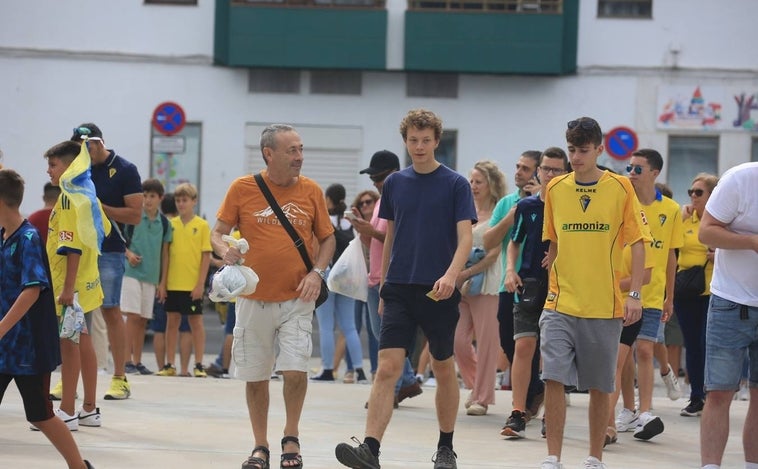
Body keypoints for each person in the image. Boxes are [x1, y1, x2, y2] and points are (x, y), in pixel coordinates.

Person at [336, 109, 476, 469]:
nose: (419, 146)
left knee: (443, 368)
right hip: (398, 287)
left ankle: (446, 448)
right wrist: (384, 285)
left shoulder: (456, 184)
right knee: (387, 367)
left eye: (425, 140)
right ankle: (370, 449)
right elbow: (392, 236)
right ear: (406, 140)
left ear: (436, 141)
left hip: (439, 289)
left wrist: (451, 275)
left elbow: (465, 239)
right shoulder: (396, 183)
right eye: (413, 140)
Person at [212, 124, 335, 469]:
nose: (300, 157)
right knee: (256, 374)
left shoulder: (311, 190)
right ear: (269, 154)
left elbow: (327, 239)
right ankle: (260, 446)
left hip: (298, 297)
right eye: (291, 150)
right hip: (252, 299)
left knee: (296, 369)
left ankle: (291, 438)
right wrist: (224, 250)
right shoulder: (242, 188)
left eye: (300, 149)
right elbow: (217, 232)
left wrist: (317, 272)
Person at [540, 117, 647, 469]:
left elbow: (637, 241)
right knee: (553, 377)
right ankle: (552, 458)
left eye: (583, 150)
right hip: (560, 301)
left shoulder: (620, 188)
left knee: (600, 386)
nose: (576, 157)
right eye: (572, 150)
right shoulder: (555, 189)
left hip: (604, 305)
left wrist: (634, 295)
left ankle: (594, 457)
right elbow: (554, 241)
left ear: (599, 149)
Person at [0, 168, 95, 469]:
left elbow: (31, 290)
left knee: (40, 414)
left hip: (26, 348)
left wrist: (0, 328)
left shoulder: (27, 238)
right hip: (4, 347)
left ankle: (78, 466)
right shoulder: (2, 236)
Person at [42, 140, 112, 432]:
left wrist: (67, 290)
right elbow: (102, 230)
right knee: (82, 342)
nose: (48, 171)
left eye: (53, 165)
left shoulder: (69, 197)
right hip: (87, 281)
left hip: (71, 286)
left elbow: (71, 246)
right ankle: (89, 409)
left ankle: (67, 410)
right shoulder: (87, 193)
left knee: (68, 344)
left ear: (70, 166)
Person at [70, 124, 142, 400]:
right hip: (79, 249)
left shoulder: (125, 169)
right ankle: (69, 380)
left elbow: (135, 215)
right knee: (75, 313)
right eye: (78, 147)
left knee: (111, 310)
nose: (83, 151)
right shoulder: (76, 169)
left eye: (87, 146)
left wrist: (100, 208)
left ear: (99, 143)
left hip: (110, 250)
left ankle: (120, 378)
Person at [501, 147, 568, 437]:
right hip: (527, 284)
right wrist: (509, 270)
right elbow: (514, 242)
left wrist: (559, 254)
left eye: (556, 170)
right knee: (523, 347)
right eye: (546, 169)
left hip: (561, 288)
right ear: (538, 171)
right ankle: (518, 411)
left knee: (553, 353)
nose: (550, 174)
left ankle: (551, 414)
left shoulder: (572, 206)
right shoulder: (527, 206)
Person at [618, 149, 683, 442]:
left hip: (653, 294)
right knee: (624, 353)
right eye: (629, 167)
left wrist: (670, 296)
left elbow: (671, 255)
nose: (631, 172)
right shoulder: (622, 203)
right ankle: (629, 409)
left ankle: (645, 411)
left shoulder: (671, 209)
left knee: (645, 350)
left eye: (638, 169)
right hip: (622, 291)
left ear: (655, 173)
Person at [697, 162, 758, 469]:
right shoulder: (741, 178)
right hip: (731, 301)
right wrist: (751, 241)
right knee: (719, 393)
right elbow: (705, 232)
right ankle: (711, 466)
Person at [350, 150, 423, 406]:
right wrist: (364, 229)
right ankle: (407, 381)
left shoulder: (399, 199)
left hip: (389, 278)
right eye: (373, 178)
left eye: (379, 177)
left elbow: (398, 238)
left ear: (393, 173)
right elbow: (377, 241)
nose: (375, 183)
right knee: (381, 334)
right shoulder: (383, 200)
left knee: (386, 338)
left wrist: (371, 231)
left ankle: (391, 389)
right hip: (377, 275)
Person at [482, 150, 545, 422]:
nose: (518, 171)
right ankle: (535, 390)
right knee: (509, 340)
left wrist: (536, 202)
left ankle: (528, 401)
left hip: (540, 283)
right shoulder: (508, 202)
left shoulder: (548, 203)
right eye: (517, 166)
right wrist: (514, 214)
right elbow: (488, 241)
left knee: (531, 345)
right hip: (509, 284)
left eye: (526, 168)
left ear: (538, 173)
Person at [453, 160, 506, 417]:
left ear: (491, 185)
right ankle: (476, 386)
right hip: (461, 285)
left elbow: (494, 253)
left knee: (487, 343)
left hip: (486, 283)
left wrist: (467, 273)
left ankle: (483, 398)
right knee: (458, 341)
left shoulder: (498, 212)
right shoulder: (465, 210)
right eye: (471, 181)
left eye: (478, 182)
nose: (473, 186)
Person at [311, 183, 367, 384]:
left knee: (326, 326)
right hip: (349, 276)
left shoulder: (325, 218)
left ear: (328, 199)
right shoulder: (351, 218)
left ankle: (327, 369)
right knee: (350, 326)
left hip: (328, 275)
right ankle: (359, 370)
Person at [675, 173, 718, 418]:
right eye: (691, 192)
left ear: (712, 196)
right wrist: (679, 218)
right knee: (692, 345)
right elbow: (673, 249)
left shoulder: (719, 222)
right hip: (686, 291)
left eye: (699, 192)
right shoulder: (686, 220)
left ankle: (713, 394)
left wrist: (720, 254)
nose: (693, 196)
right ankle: (696, 397)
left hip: (712, 290)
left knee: (707, 343)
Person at [121, 178, 172, 376]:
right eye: (145, 196)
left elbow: (165, 254)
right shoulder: (134, 217)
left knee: (143, 320)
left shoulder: (165, 224)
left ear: (160, 198)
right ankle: (126, 361)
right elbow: (119, 240)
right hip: (131, 273)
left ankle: (138, 360)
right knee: (132, 316)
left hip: (151, 277)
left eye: (152, 196)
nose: (148, 200)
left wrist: (163, 283)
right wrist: (129, 254)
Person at [160, 182, 211, 378]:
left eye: (185, 200)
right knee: (171, 322)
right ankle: (170, 364)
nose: (181, 204)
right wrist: (162, 283)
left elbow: (206, 256)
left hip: (192, 285)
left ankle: (198, 364)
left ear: (194, 202)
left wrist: (200, 284)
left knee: (196, 322)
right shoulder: (170, 225)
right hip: (173, 283)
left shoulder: (202, 225)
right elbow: (166, 255)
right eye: (178, 200)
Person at [335, 189, 381, 383]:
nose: (365, 206)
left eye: (369, 202)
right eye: (362, 203)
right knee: (352, 325)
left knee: (374, 330)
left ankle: (375, 370)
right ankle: (351, 369)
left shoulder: (382, 225)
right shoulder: (358, 227)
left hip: (375, 281)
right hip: (357, 282)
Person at [151, 193, 193, 375]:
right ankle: (184, 368)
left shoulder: (160, 225)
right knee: (185, 327)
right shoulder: (174, 225)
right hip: (181, 282)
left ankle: (164, 366)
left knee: (161, 328)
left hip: (160, 282)